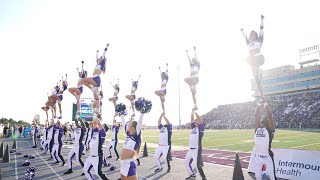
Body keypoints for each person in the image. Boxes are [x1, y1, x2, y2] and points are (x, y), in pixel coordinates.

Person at [79, 44, 109, 117]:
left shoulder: (101, 65)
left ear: (101, 60)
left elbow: (104, 54)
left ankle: (92, 89)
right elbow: (96, 57)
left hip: (96, 78)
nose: (98, 59)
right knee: (96, 97)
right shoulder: (97, 64)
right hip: (95, 80)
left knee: (82, 80)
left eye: (100, 59)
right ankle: (98, 110)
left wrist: (106, 47)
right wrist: (97, 52)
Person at [241, 15, 265, 100]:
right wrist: (242, 31)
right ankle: (262, 95)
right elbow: (244, 37)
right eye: (250, 35)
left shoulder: (259, 40)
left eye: (253, 34)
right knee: (257, 80)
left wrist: (262, 20)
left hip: (259, 59)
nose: (251, 36)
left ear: (256, 35)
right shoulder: (249, 44)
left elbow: (261, 30)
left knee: (248, 58)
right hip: (253, 62)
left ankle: (259, 70)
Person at [252, 100, 276, 180]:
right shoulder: (258, 128)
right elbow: (256, 116)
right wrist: (259, 103)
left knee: (272, 176)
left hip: (267, 156)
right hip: (257, 157)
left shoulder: (270, 130)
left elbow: (269, 116)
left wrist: (265, 103)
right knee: (258, 176)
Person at [119, 111, 144, 180]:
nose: (127, 125)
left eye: (129, 124)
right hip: (123, 163)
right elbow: (124, 123)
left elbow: (139, 123)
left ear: (133, 127)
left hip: (129, 164)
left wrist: (142, 112)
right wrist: (121, 115)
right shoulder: (128, 136)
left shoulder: (136, 136)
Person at [185, 111, 206, 180]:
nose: (196, 122)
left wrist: (195, 112)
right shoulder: (194, 127)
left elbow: (199, 119)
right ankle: (192, 175)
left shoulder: (201, 129)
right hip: (190, 149)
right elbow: (192, 120)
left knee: (197, 165)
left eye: (199, 122)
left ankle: (203, 177)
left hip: (197, 149)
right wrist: (192, 112)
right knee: (186, 163)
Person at [184, 46, 200, 111]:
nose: (193, 61)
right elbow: (189, 59)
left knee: (187, 79)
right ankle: (195, 105)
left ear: (195, 61)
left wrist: (194, 50)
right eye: (192, 60)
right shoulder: (191, 65)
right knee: (193, 94)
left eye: (194, 60)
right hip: (191, 80)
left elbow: (196, 57)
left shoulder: (197, 65)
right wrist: (187, 53)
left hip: (195, 78)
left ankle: (193, 87)